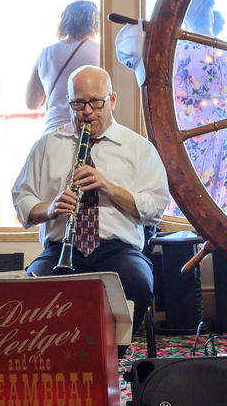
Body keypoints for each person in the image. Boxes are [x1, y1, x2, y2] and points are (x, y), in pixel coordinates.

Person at [12, 65, 168, 322]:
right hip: (61, 248)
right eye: (78, 103)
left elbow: (155, 208)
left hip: (119, 250)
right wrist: (51, 209)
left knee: (138, 285)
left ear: (112, 100)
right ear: (68, 102)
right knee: (34, 290)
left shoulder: (139, 148)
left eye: (96, 103)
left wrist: (108, 187)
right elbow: (22, 203)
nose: (87, 112)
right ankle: (59, 356)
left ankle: (111, 354)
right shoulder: (47, 145)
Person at [171, 0, 227, 213]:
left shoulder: (178, 51)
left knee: (187, 206)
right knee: (220, 210)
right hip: (225, 132)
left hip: (189, 132)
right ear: (211, 14)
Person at [27, 0, 101, 134]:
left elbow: (32, 103)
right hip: (86, 132)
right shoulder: (101, 52)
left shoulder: (45, 53)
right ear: (95, 22)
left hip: (52, 132)